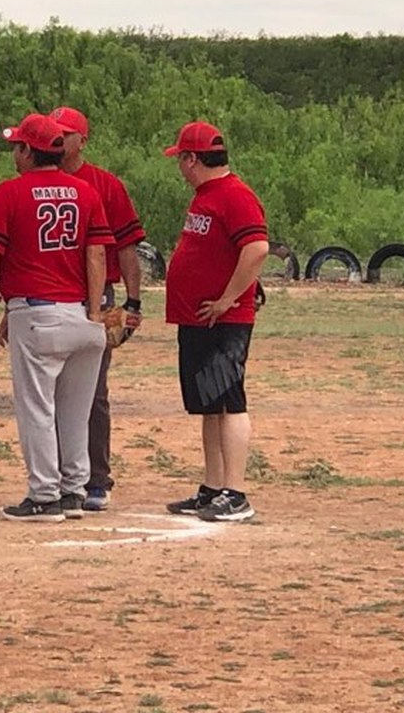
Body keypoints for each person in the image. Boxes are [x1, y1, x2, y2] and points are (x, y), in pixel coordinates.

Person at [0, 113, 113, 522]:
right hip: (84, 316)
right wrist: (93, 311)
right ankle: (74, 490)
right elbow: (97, 252)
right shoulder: (85, 192)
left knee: (38, 408)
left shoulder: (10, 192)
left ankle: (44, 494)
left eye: (17, 146)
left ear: (28, 152)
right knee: (75, 411)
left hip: (37, 313)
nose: (14, 153)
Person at [162, 121, 269, 523]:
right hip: (199, 317)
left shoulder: (234, 195)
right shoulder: (207, 196)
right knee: (209, 405)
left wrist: (229, 298)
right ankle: (213, 486)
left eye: (181, 159)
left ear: (193, 159)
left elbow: (257, 248)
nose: (179, 167)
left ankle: (236, 492)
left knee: (229, 401)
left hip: (225, 318)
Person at [50, 106, 145, 512]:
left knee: (93, 391)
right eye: (53, 133)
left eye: (65, 133)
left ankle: (96, 479)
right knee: (49, 391)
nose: (58, 139)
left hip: (97, 297)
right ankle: (55, 475)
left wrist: (134, 300)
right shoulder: (36, 180)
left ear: (81, 141)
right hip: (49, 294)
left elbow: (126, 247)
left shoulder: (104, 185)